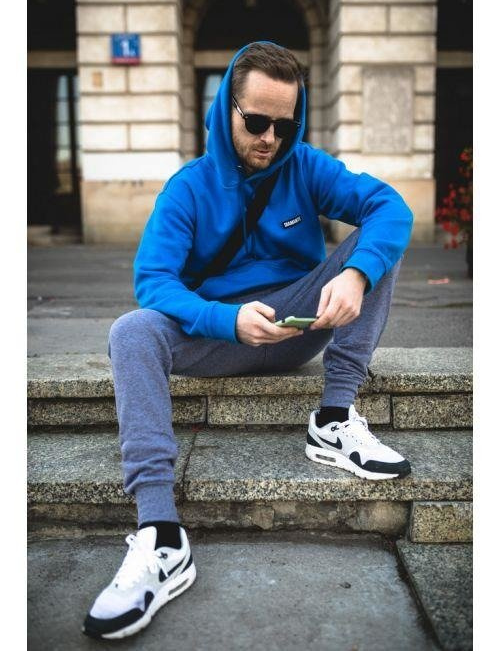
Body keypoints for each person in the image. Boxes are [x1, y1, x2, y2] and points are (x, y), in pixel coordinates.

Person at [82, 41, 413, 639]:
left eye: (284, 125)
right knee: (130, 330)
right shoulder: (187, 188)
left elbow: (390, 206)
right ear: (225, 109)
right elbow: (152, 281)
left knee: (377, 245)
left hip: (297, 325)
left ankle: (334, 418)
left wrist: (356, 274)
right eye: (256, 122)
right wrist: (225, 320)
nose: (270, 139)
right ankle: (161, 534)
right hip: (219, 334)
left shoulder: (305, 165)